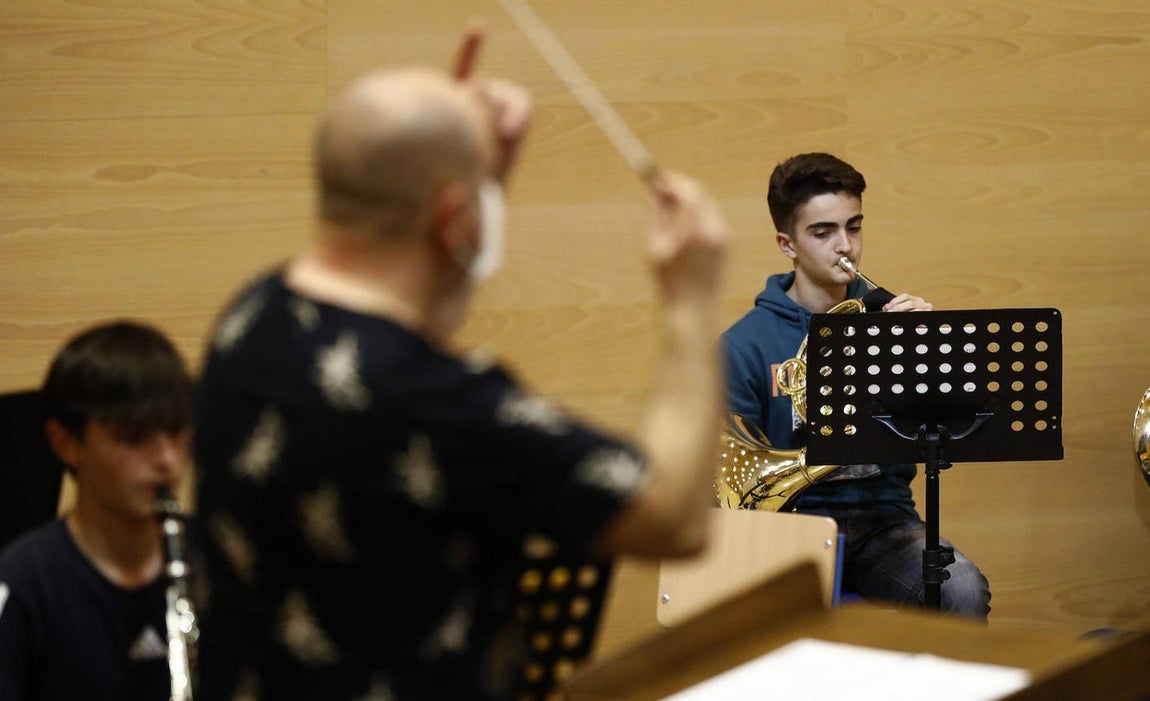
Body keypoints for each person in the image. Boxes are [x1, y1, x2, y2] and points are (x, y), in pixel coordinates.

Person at [191, 29, 728, 701]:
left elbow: (418, 298)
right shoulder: (437, 404)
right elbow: (675, 516)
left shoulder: (251, 318)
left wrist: (470, 175)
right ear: (453, 216)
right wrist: (690, 299)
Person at [722, 152, 991, 619]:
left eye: (854, 227)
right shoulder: (745, 345)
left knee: (961, 590)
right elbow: (730, 478)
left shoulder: (890, 320)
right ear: (787, 244)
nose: (844, 246)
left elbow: (941, 433)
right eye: (823, 232)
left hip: (882, 521)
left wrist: (925, 353)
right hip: (789, 526)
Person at [0, 321, 194, 700]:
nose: (168, 461)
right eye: (134, 436)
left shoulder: (218, 561)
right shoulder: (20, 586)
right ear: (65, 442)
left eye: (176, 431)